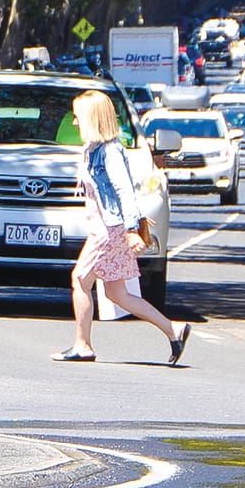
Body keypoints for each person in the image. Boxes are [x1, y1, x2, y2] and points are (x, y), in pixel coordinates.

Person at [54, 89, 190, 365]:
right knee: (117, 293)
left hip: (109, 230)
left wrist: (130, 229)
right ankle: (173, 329)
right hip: (107, 228)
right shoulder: (93, 149)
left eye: (78, 116)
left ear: (93, 117)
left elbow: (124, 191)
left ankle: (83, 345)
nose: (75, 123)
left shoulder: (109, 151)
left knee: (80, 279)